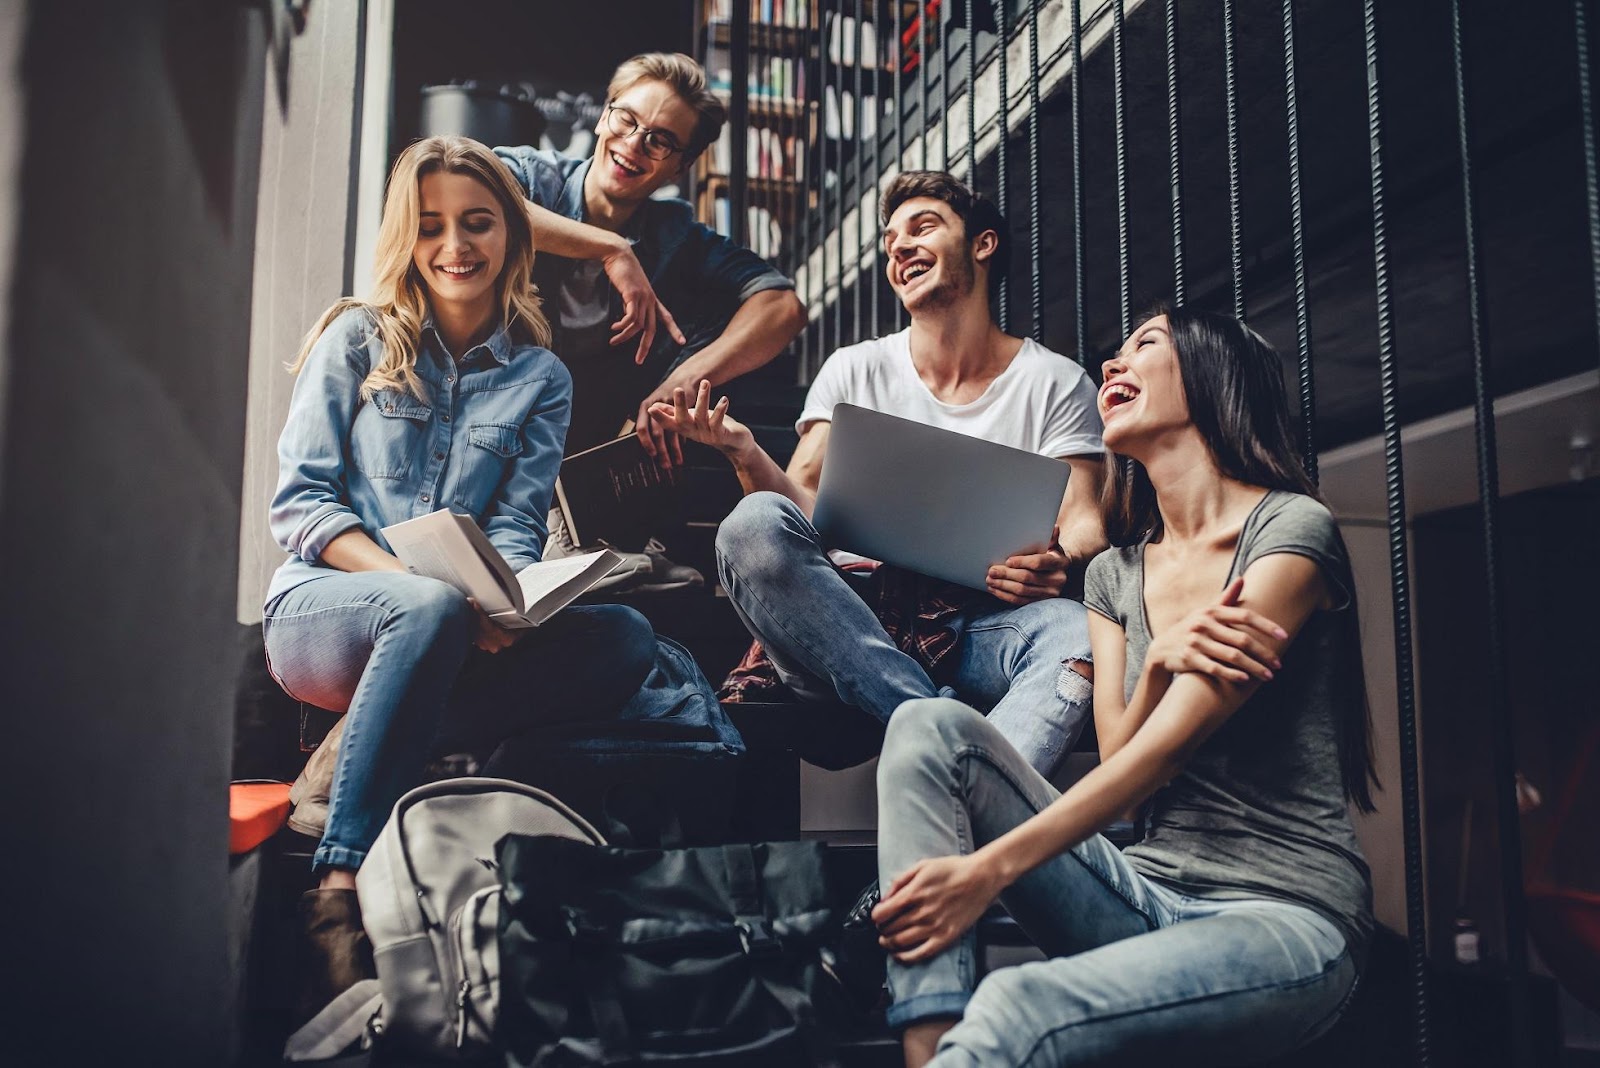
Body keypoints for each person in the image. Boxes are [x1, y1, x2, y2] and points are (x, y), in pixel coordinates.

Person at [869, 307, 1379, 1067]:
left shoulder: (1289, 529)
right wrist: (1163, 663)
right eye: (1114, 350)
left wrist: (985, 873)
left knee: (1020, 1003)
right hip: (1143, 888)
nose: (1112, 363)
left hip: (1280, 915)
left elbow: (1167, 751)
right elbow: (1125, 772)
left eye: (1145, 344)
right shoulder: (1115, 573)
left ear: (1214, 377)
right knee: (925, 725)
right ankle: (925, 1045)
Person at [262, 136, 659, 1015]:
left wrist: (508, 599)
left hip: (450, 621)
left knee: (627, 641)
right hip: (322, 613)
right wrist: (425, 591)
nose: (456, 245)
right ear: (407, 237)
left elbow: (516, 524)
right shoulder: (354, 341)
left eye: (478, 223)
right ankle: (335, 885)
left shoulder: (540, 377)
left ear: (512, 238)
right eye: (432, 225)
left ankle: (357, 751)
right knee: (428, 609)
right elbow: (301, 508)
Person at [652, 171, 1106, 775]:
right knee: (751, 522)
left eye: (923, 227)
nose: (899, 246)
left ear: (983, 244)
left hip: (981, 623)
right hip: (848, 621)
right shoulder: (853, 369)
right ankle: (941, 736)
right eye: (891, 239)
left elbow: (1086, 520)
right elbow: (799, 512)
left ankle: (960, 787)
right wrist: (743, 452)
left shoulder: (1055, 380)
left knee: (1075, 633)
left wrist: (1061, 561)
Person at [493, 52, 806, 464]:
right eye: (626, 118)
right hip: (489, 419)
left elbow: (783, 306)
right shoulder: (534, 176)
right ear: (604, 116)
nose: (634, 144)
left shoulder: (677, 236)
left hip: (586, 447)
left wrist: (686, 381)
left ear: (680, 167)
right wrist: (610, 248)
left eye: (661, 140)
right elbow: (469, 202)